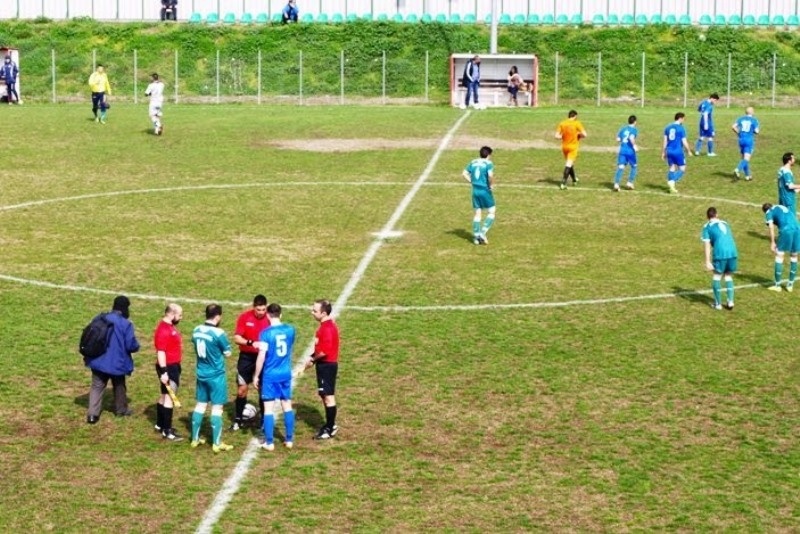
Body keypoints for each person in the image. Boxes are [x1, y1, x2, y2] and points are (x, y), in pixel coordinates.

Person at [85, 296, 140, 424]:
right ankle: (121, 409)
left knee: (97, 386)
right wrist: (137, 347)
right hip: (117, 363)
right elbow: (131, 345)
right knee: (119, 385)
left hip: (98, 360)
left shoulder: (100, 318)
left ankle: (92, 414)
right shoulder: (126, 324)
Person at [190, 304, 234, 452]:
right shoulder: (219, 333)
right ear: (218, 316)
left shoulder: (196, 330)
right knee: (217, 408)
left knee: (200, 405)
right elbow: (228, 353)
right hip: (216, 376)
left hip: (201, 373)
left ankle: (195, 439)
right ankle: (216, 442)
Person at [253, 303, 296, 451]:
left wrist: (256, 375)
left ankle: (269, 442)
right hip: (285, 373)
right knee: (287, 405)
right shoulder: (291, 330)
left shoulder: (265, 333)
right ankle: (289, 439)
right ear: (281, 314)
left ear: (268, 315)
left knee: (268, 408)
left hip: (270, 375)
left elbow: (261, 357)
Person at [231, 294, 270, 431]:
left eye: (263, 309)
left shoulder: (270, 319)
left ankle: (264, 420)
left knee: (262, 389)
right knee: (242, 390)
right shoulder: (244, 317)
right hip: (246, 357)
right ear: (253, 307)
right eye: (258, 310)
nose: (261, 313)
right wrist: (252, 343)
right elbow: (237, 338)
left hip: (264, 357)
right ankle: (238, 420)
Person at [304, 299, 340, 440]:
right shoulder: (327, 325)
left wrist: (312, 359)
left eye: (314, 311)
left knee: (328, 397)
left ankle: (330, 428)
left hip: (327, 366)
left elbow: (324, 351)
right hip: (324, 365)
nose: (312, 312)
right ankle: (330, 425)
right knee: (324, 395)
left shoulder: (327, 328)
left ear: (323, 313)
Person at [154, 303, 184, 441]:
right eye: (179, 315)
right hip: (169, 367)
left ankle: (160, 424)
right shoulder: (164, 330)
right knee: (170, 397)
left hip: (170, 366)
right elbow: (161, 352)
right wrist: (164, 372)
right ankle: (167, 430)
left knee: (164, 394)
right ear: (172, 314)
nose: (181, 318)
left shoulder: (168, 327)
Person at [701, 207, 738, 310]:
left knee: (717, 276)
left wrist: (707, 261)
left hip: (720, 253)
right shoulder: (725, 223)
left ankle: (718, 304)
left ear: (707, 217)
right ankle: (730, 302)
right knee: (728, 275)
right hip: (732, 251)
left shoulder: (707, 227)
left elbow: (707, 244)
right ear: (717, 215)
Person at [462, 145, 496, 245]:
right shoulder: (488, 163)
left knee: (477, 213)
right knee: (492, 211)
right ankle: (482, 233)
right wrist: (490, 185)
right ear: (488, 155)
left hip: (475, 190)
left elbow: (464, 173)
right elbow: (490, 176)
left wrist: (472, 182)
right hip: (484, 190)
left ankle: (476, 238)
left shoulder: (473, 162)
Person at [762, 202, 800, 292]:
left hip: (786, 229)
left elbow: (771, 226)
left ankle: (777, 285)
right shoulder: (781, 206)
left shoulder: (768, 212)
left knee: (779, 255)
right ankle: (790, 285)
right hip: (797, 228)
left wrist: (772, 242)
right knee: (794, 255)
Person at [555, 109, 587, 190]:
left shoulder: (562, 123)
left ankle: (574, 179)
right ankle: (563, 183)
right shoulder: (577, 123)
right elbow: (585, 134)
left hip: (565, 147)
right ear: (575, 116)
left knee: (570, 163)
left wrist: (563, 136)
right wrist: (579, 135)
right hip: (573, 147)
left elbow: (556, 136)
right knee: (568, 164)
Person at [662, 112, 692, 194]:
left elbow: (665, 141)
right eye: (684, 119)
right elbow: (684, 141)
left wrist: (663, 152)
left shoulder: (667, 128)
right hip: (678, 151)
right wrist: (688, 150)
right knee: (682, 168)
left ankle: (672, 188)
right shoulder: (681, 128)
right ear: (680, 118)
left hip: (669, 150)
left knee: (672, 168)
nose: (684, 120)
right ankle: (672, 181)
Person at [731, 107, 760, 181]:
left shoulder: (741, 118)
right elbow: (757, 131)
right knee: (746, 159)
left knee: (743, 158)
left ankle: (748, 176)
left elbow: (733, 127)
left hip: (741, 139)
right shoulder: (754, 120)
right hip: (749, 140)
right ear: (752, 112)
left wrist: (738, 133)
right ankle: (737, 169)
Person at [613, 115, 639, 192]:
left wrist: (623, 140)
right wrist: (634, 146)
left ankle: (616, 184)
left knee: (621, 167)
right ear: (635, 122)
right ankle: (629, 183)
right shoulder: (634, 129)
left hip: (622, 150)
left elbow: (618, 139)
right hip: (630, 151)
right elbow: (631, 138)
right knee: (634, 166)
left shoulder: (623, 128)